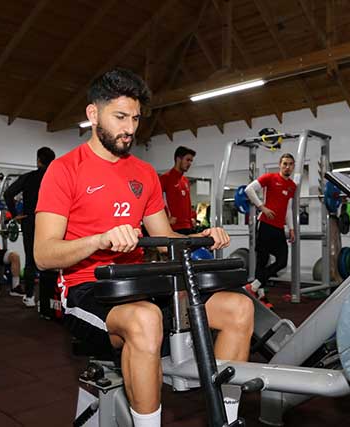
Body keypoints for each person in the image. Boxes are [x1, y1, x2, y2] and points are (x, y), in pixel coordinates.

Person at [34, 68, 254, 427]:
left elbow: (165, 238)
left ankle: (225, 420)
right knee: (145, 318)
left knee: (239, 309)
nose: (130, 128)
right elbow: (43, 254)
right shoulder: (64, 170)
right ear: (93, 114)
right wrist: (100, 239)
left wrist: (202, 237)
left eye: (135, 119)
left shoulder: (144, 173)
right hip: (87, 289)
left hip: (141, 284)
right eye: (120, 117)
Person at [3, 146, 56, 307]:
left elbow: (8, 193)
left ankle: (30, 296)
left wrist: (15, 214)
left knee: (30, 260)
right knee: (51, 259)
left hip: (31, 221)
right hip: (52, 222)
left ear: (38, 160)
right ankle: (49, 299)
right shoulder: (57, 177)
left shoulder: (28, 177)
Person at [244, 153, 297, 308]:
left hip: (279, 228)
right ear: (280, 164)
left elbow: (288, 208)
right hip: (265, 225)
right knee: (262, 261)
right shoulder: (270, 178)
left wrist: (291, 228)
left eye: (290, 164)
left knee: (282, 261)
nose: (287, 167)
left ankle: (253, 286)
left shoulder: (292, 186)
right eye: (285, 163)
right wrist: (262, 207)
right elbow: (249, 189)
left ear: (293, 166)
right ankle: (262, 297)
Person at [159, 146, 197, 235]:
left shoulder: (185, 181)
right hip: (173, 227)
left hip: (188, 227)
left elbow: (187, 203)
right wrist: (165, 219)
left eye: (191, 161)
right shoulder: (165, 178)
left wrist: (192, 218)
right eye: (187, 160)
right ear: (178, 159)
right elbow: (157, 201)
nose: (189, 163)